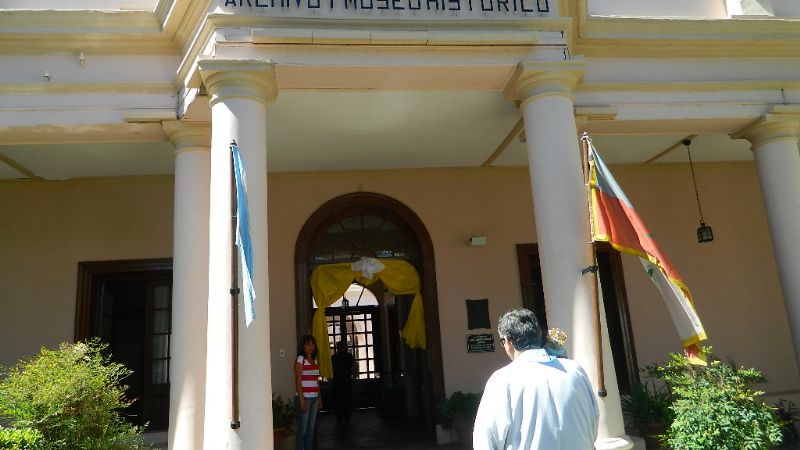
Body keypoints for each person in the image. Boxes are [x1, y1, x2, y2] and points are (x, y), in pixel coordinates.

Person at [473, 308, 599, 450]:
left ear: (508, 342)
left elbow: (486, 440)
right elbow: (593, 422)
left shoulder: (502, 380)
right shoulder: (575, 370)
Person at [294, 334, 322, 450]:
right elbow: (298, 380)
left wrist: (320, 398)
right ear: (303, 346)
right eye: (307, 344)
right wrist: (301, 401)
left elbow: (316, 381)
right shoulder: (300, 359)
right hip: (304, 398)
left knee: (310, 431)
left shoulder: (314, 360)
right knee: (303, 430)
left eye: (312, 344)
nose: (310, 347)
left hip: (314, 399)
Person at [331, 340, 356, 425]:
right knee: (347, 400)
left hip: (337, 383)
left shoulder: (333, 358)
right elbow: (354, 369)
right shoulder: (350, 356)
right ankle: (347, 417)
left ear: (337, 348)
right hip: (347, 382)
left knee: (338, 400)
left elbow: (331, 372)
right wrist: (354, 379)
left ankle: (339, 416)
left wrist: (331, 381)